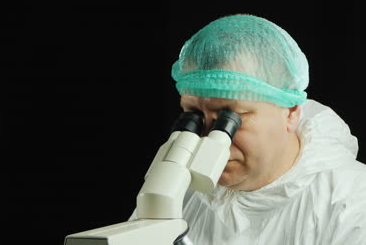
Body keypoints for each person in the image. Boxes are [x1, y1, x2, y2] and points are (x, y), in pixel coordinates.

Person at [129, 14, 366, 244]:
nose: (207, 138)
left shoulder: (352, 201)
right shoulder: (182, 194)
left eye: (230, 118)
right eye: (195, 116)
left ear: (291, 112)